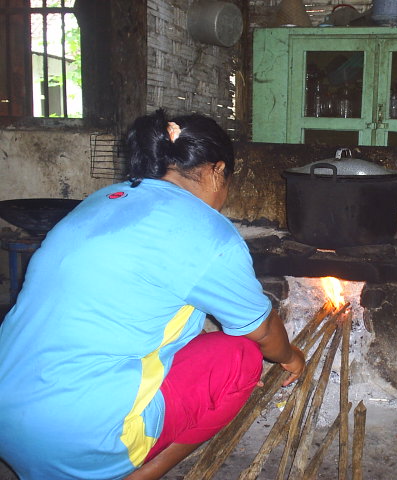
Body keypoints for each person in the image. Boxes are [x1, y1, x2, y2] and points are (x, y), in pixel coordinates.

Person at [0, 109, 305, 480]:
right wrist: (291, 356)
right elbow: (263, 331)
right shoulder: (209, 232)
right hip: (81, 440)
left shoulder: (104, 199)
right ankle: (141, 472)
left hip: (9, 422)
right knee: (240, 355)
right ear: (216, 170)